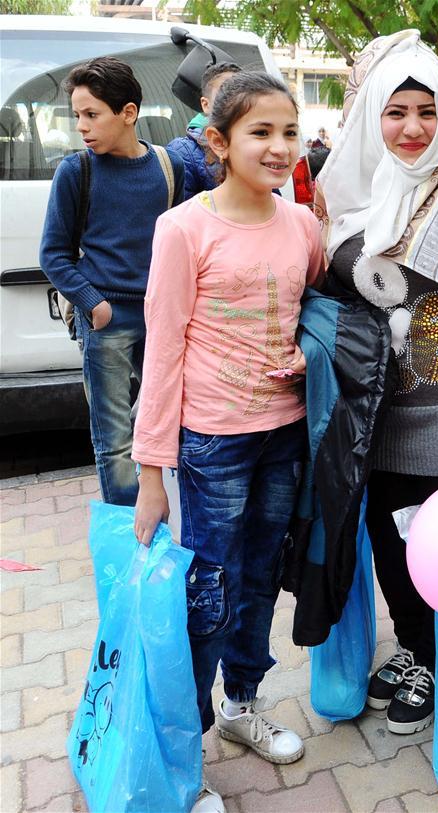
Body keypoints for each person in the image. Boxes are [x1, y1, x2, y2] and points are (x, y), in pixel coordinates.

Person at [132, 71, 325, 813]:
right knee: (207, 592)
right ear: (218, 141)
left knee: (259, 578)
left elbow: (314, 311)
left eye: (289, 131)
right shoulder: (184, 228)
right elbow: (162, 349)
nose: (279, 147)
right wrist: (152, 473)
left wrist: (308, 357)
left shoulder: (302, 224)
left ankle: (243, 703)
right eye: (260, 132)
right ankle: (184, 750)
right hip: (213, 440)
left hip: (284, 435)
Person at [315, 29, 438, 735]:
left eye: (428, 112)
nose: (412, 128)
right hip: (366, 421)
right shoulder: (346, 201)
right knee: (389, 548)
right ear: (371, 117)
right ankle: (413, 645)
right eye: (395, 112)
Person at [39, 57, 184, 507]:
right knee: (115, 440)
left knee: (170, 425)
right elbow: (53, 255)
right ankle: (125, 533)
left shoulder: (169, 167)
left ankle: (170, 518)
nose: (81, 126)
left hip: (161, 317)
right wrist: (92, 303)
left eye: (92, 114)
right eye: (77, 115)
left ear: (128, 113)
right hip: (107, 321)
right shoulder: (75, 171)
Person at [168, 61, 242, 200]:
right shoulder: (184, 152)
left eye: (243, 94)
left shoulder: (255, 144)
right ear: (205, 104)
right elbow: (183, 210)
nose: (236, 100)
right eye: (226, 93)